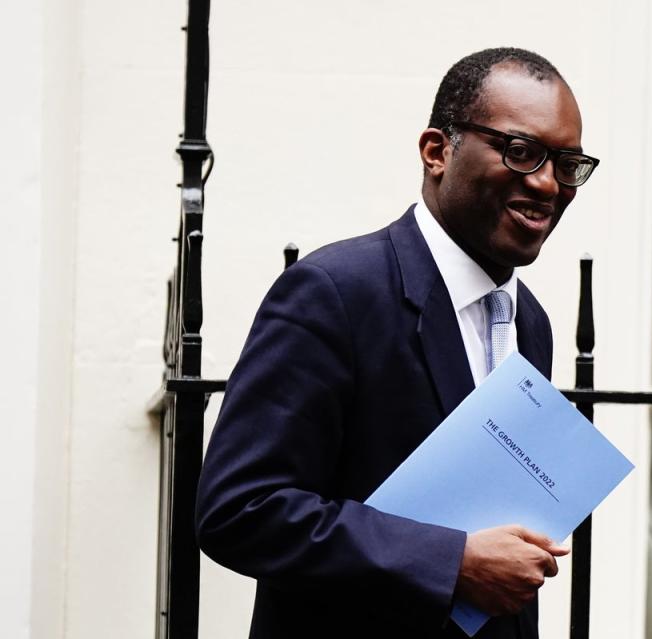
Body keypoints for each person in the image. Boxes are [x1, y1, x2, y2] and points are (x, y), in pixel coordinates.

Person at [195, 47, 600, 638]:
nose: (547, 183)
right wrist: (452, 560)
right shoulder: (335, 293)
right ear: (438, 151)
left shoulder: (530, 322)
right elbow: (239, 509)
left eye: (567, 164)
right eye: (520, 152)